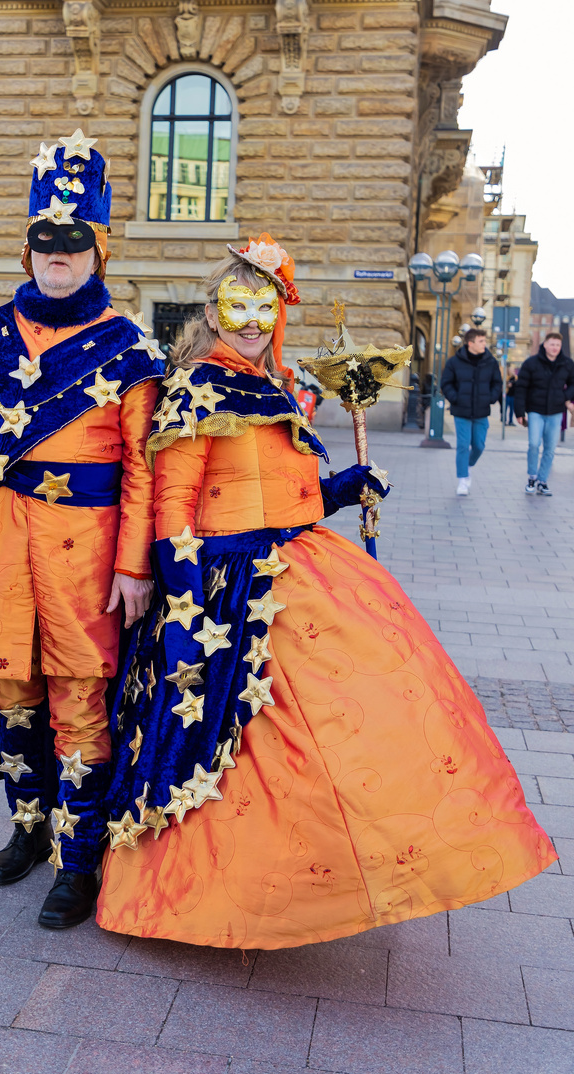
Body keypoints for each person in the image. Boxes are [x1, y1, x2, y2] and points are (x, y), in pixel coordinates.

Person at [94, 234, 555, 951]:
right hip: (228, 589)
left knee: (363, 714)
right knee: (249, 743)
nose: (250, 321)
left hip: (300, 566)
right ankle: (219, 895)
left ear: (278, 315)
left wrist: (341, 489)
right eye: (236, 305)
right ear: (213, 315)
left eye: (264, 307)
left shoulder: (273, 387)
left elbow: (294, 494)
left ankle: (347, 869)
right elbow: (174, 500)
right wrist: (185, 603)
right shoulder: (195, 389)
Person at [0, 130, 165, 928]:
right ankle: (27, 827)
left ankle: (76, 863)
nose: (58, 253)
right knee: (13, 696)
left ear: (98, 251)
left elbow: (143, 469)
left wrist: (135, 565)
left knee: (80, 702)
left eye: (74, 241)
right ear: (27, 249)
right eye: (45, 239)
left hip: (85, 559)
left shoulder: (128, 351)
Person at [440, 328, 502, 496]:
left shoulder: (491, 361)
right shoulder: (455, 362)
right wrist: (455, 397)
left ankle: (468, 465)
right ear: (471, 343)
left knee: (479, 446)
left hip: (482, 411)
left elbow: (497, 383)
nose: (485, 344)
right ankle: (462, 480)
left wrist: (491, 398)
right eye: (481, 341)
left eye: (484, 341)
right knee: (462, 445)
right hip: (461, 411)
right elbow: (446, 383)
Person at [514, 331, 574, 495]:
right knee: (534, 444)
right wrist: (520, 412)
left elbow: (573, 384)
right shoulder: (531, 363)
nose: (555, 348)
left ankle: (543, 480)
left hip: (555, 412)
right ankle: (532, 477)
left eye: (558, 345)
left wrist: (565, 396)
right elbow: (521, 389)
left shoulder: (567, 364)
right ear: (545, 344)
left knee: (550, 448)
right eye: (552, 344)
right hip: (535, 410)